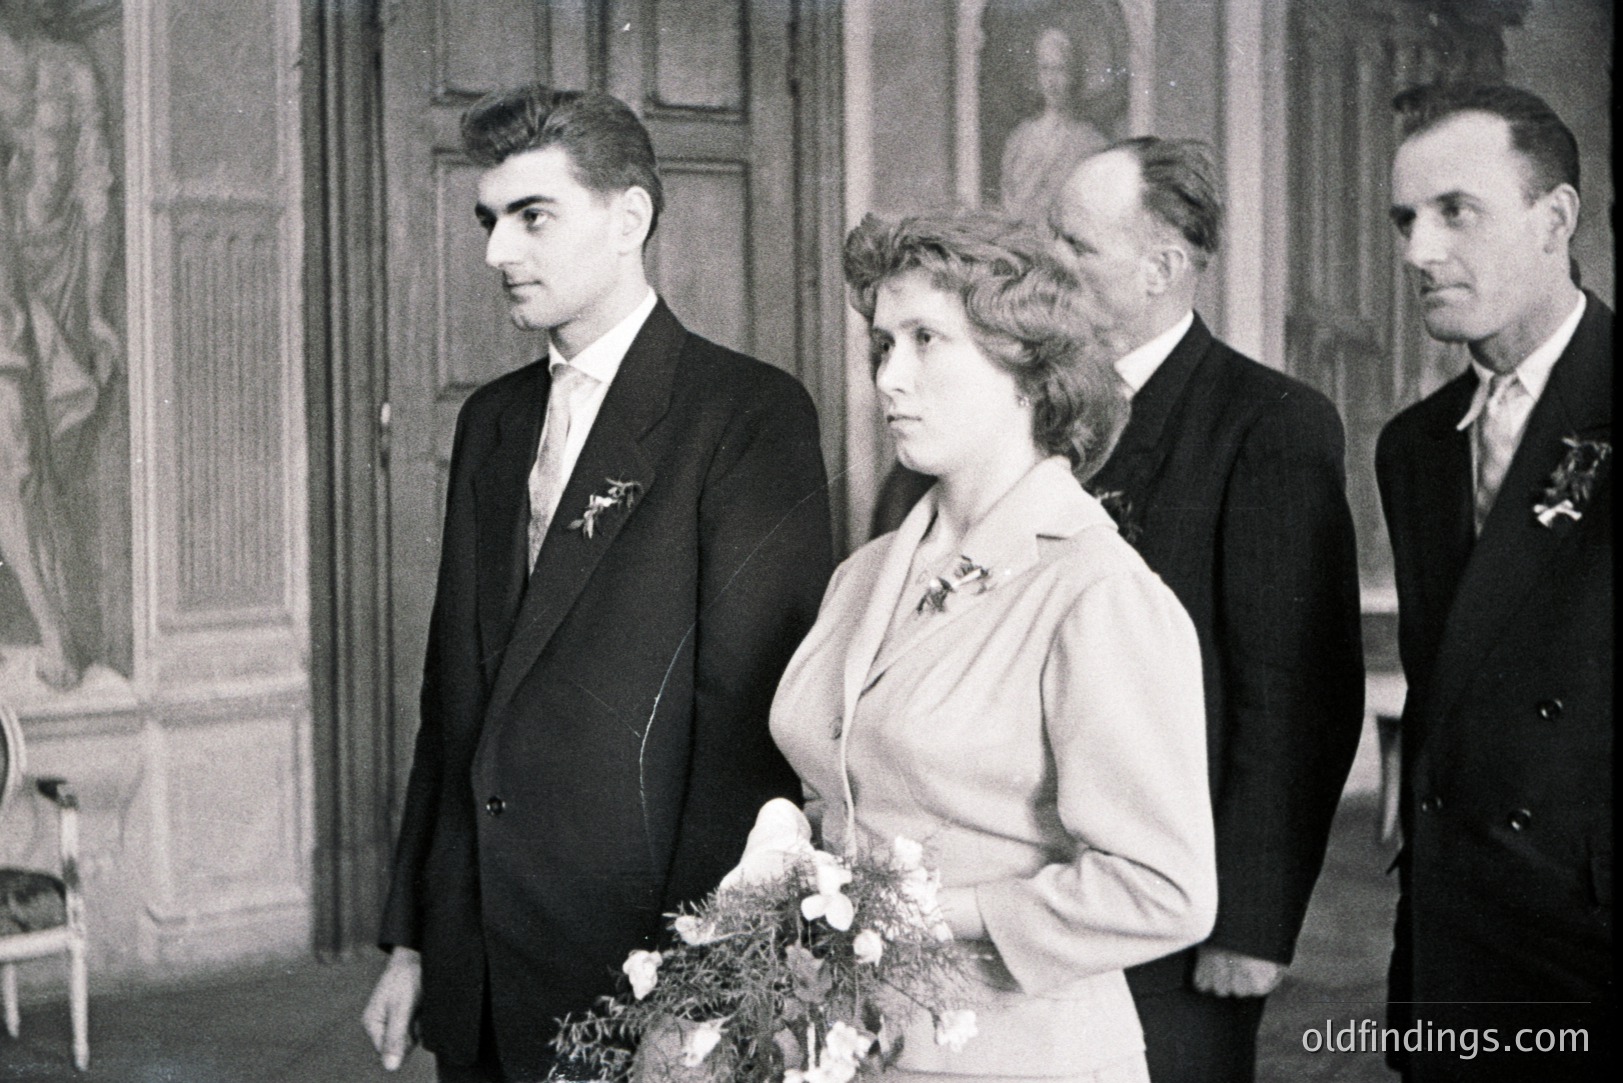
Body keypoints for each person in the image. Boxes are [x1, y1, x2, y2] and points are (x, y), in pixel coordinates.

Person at [362, 85, 834, 1083]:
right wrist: (413, 941)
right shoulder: (489, 422)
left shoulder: (744, 416)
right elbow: (454, 705)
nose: (497, 252)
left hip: (633, 972)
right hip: (478, 957)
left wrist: (697, 985)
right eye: (490, 221)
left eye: (534, 217)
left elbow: (749, 742)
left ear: (630, 220)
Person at [771, 211, 1218, 1082]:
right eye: (881, 343)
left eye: (926, 340)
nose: (888, 377)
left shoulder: (1097, 592)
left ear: (1028, 366)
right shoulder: (865, 572)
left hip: (1017, 1057)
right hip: (851, 1046)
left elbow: (1166, 891)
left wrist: (941, 911)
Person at [1045, 138, 1366, 1083]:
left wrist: (1249, 922)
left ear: (1161, 268)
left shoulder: (1268, 422)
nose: (1048, 268)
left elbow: (1296, 694)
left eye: (1075, 247)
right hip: (1049, 888)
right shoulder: (1041, 412)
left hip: (1181, 913)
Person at [1378, 82, 1611, 1081]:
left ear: (1554, 219)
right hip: (1457, 954)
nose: (1419, 252)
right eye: (1405, 220)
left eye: (1456, 213)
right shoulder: (1417, 447)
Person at [0, 1, 121, 691]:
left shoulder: (69, 68)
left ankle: (50, 628)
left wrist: (99, 309)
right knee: (13, 461)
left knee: (27, 462)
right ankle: (48, 630)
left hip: (43, 280)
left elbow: (94, 185)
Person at [997, 27, 1108, 226]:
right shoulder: (1019, 138)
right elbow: (1008, 203)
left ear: (1074, 75)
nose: (1052, 80)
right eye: (1045, 68)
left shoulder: (1093, 143)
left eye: (1060, 69)